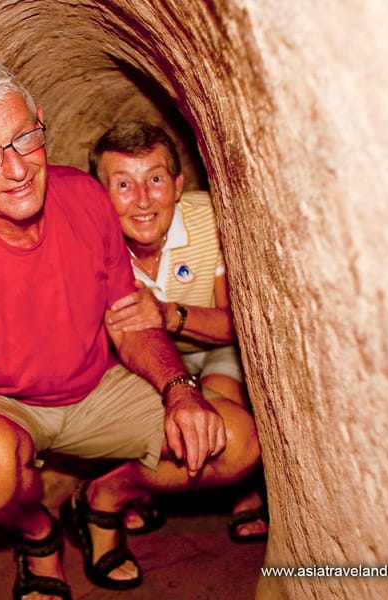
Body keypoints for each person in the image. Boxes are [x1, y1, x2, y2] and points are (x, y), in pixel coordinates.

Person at [0, 60, 260, 600]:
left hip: (96, 384)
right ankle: (37, 533)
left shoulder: (83, 197)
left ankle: (102, 497)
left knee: (235, 442)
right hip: (5, 402)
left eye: (23, 138)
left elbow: (130, 321)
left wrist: (178, 391)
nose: (15, 169)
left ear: (40, 120)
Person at [89, 120, 268, 542]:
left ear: (178, 183)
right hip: (147, 360)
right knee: (152, 421)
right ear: (102, 196)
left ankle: (242, 488)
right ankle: (143, 487)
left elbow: (238, 326)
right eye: (124, 185)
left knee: (228, 417)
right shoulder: (91, 244)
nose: (143, 201)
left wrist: (170, 316)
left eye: (155, 179)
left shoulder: (207, 219)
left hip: (217, 343)